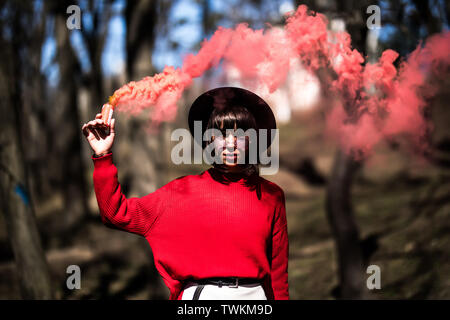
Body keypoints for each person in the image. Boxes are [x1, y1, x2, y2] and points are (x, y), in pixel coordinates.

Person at [81, 87, 289, 300]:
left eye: (241, 134)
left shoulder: (271, 196)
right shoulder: (182, 192)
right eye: (221, 134)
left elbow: (279, 276)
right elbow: (115, 214)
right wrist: (103, 155)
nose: (231, 142)